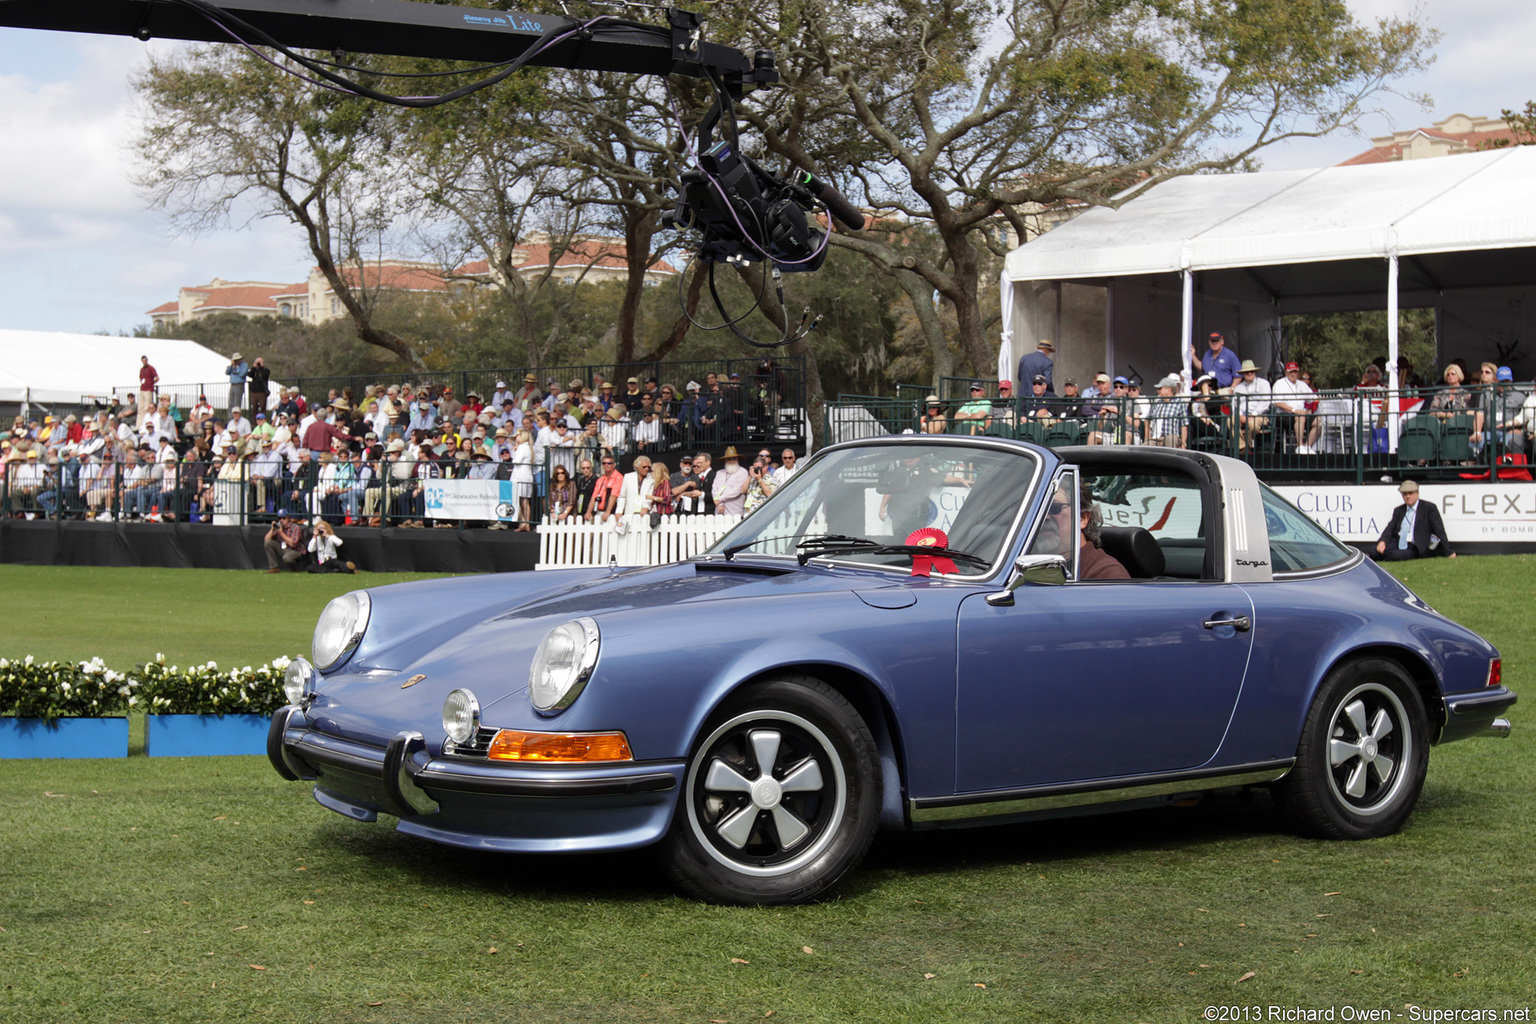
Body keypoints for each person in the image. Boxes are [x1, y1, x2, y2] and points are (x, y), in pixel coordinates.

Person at [1375, 480, 1455, 561]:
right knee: (1374, 551)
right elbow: (1390, 528)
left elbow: (1439, 530)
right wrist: (1383, 541)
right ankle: (1386, 555)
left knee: (1395, 555)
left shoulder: (1429, 508)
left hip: (1415, 546)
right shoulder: (1399, 510)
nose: (1408, 496)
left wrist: (1449, 551)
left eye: (1410, 493)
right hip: (1397, 542)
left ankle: (1386, 556)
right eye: (1405, 494)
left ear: (1417, 493)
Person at [1270, 361, 1319, 454]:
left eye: (1295, 372)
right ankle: (1299, 446)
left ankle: (1307, 446)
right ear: (1286, 372)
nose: (1293, 374)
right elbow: (1278, 403)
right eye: (1291, 372)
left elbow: (1313, 398)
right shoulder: (1279, 384)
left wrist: (1320, 400)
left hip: (1300, 414)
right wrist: (1294, 410)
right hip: (1284, 415)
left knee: (1319, 420)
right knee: (1300, 417)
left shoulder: (1302, 384)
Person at [1231, 359, 1272, 452]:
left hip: (1259, 415)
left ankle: (1245, 449)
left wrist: (1253, 414)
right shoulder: (1238, 388)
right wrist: (1240, 415)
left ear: (1255, 372)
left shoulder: (1264, 384)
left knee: (1251, 424)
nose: (1249, 374)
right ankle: (1243, 447)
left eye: (1251, 371)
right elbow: (1234, 404)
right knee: (1231, 421)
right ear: (1243, 374)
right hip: (1242, 414)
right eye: (1246, 372)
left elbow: (1265, 402)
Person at [711, 446, 751, 514]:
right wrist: (719, 504)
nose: (732, 461)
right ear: (725, 460)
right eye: (729, 459)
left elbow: (737, 490)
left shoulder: (743, 472)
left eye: (734, 458)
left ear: (737, 459)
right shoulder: (719, 473)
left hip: (735, 510)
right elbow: (714, 489)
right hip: (719, 509)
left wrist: (720, 499)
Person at [136, 355, 159, 431]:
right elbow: (141, 378)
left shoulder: (151, 368)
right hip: (142, 389)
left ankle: (146, 425)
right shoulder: (142, 369)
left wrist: (151, 383)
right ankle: (139, 425)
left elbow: (157, 377)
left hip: (148, 389)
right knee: (140, 408)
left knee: (147, 407)